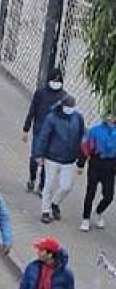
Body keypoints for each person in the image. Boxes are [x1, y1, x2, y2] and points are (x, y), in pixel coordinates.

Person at [32, 91, 87, 223]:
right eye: (69, 106)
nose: (70, 109)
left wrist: (81, 158)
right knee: (49, 185)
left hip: (69, 159)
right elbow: (44, 137)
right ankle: (45, 211)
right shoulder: (52, 118)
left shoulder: (78, 118)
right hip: (52, 157)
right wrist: (39, 154)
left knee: (66, 186)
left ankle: (55, 202)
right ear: (62, 105)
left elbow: (82, 137)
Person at [23, 69, 67, 193]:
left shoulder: (63, 97)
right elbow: (32, 111)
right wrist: (26, 129)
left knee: (48, 161)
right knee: (36, 157)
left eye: (58, 81)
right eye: (54, 80)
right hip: (39, 131)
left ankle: (42, 186)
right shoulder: (40, 94)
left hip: (54, 134)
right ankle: (32, 179)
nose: (56, 83)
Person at [84, 106, 116, 230]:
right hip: (96, 163)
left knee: (109, 196)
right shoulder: (95, 130)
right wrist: (81, 164)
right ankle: (86, 218)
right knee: (90, 192)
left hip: (110, 166)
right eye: (109, 115)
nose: (111, 118)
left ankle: (98, 212)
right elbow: (85, 146)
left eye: (113, 116)